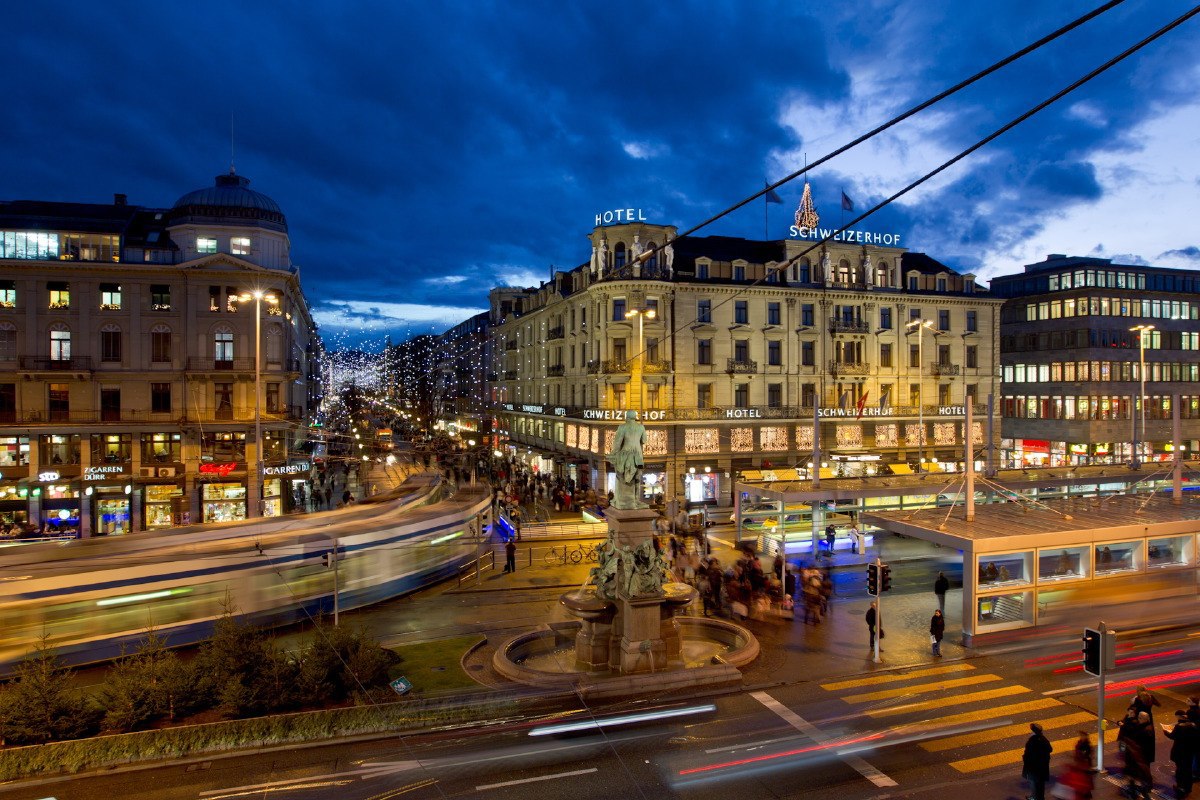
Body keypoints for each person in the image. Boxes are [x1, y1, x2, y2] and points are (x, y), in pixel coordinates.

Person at [1165, 708, 1197, 797]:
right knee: (1188, 770)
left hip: (1180, 752)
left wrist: (1165, 732)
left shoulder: (1179, 727)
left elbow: (1172, 736)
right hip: (1189, 752)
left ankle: (1181, 788)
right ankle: (1188, 787)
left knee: (1180, 770)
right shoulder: (1192, 726)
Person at [1022, 722, 1052, 800]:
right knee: (1040, 785)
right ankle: (1039, 797)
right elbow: (1050, 749)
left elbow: (1028, 754)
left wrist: (1025, 759)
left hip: (1034, 768)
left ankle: (1035, 797)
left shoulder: (1032, 741)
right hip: (1042, 768)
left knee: (1034, 783)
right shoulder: (1043, 739)